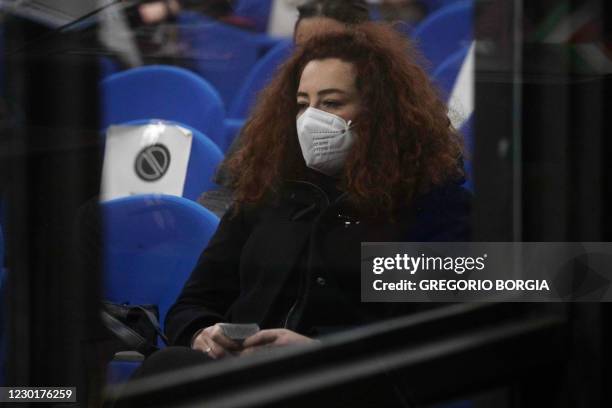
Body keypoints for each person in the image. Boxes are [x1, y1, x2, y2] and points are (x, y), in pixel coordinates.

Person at [115, 24, 470, 407]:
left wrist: (319, 352)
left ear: (381, 113)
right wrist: (203, 334)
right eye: (303, 104)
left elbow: (432, 344)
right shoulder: (266, 193)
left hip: (343, 389)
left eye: (332, 103)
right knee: (168, 367)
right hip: (241, 380)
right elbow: (192, 304)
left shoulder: (434, 208)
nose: (311, 119)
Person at [198, 0, 372, 218]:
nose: (313, 63)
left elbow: (411, 250)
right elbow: (224, 197)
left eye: (330, 50)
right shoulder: (271, 117)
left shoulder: (399, 132)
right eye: (303, 51)